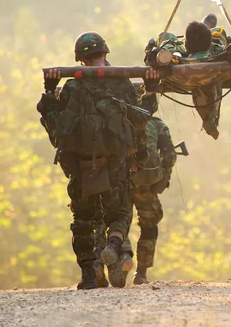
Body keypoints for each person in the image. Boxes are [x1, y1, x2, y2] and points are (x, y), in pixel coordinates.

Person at [37, 31, 157, 289]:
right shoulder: (121, 82)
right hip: (115, 162)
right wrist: (152, 89)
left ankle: (89, 275)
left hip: (81, 166)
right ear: (105, 53)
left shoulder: (72, 87)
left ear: (81, 60)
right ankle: (114, 244)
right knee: (120, 214)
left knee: (83, 220)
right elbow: (141, 119)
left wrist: (49, 91)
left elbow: (57, 129)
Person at [127, 94, 177, 285]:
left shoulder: (121, 121)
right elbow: (170, 155)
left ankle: (122, 259)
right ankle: (141, 272)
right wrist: (163, 179)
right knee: (149, 227)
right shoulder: (157, 124)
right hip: (146, 185)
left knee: (118, 222)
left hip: (122, 181)